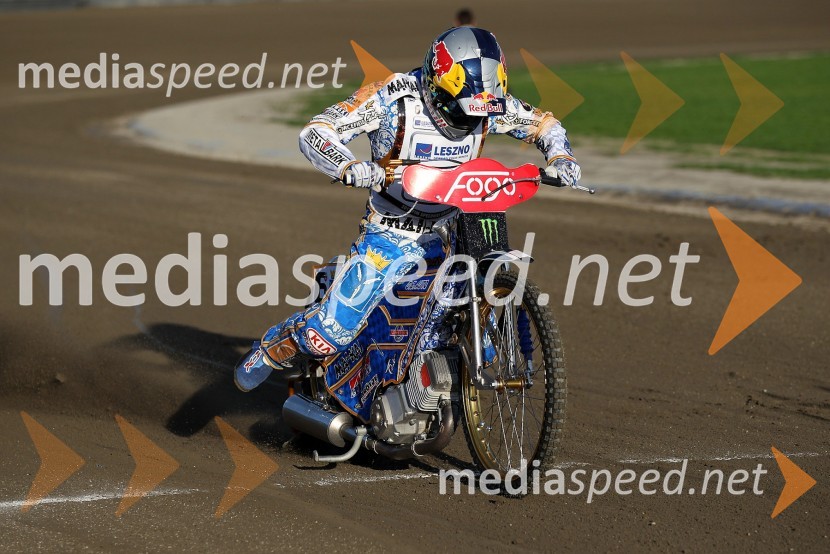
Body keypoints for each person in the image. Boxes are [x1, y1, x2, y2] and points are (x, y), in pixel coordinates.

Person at [234, 26, 581, 392]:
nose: (468, 122)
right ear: (435, 84)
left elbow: (544, 123)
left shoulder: (485, 103)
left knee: (476, 334)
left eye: (478, 114)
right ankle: (273, 347)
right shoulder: (390, 99)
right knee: (329, 335)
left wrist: (561, 156)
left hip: (455, 229)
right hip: (390, 234)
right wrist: (349, 167)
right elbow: (317, 132)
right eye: (457, 110)